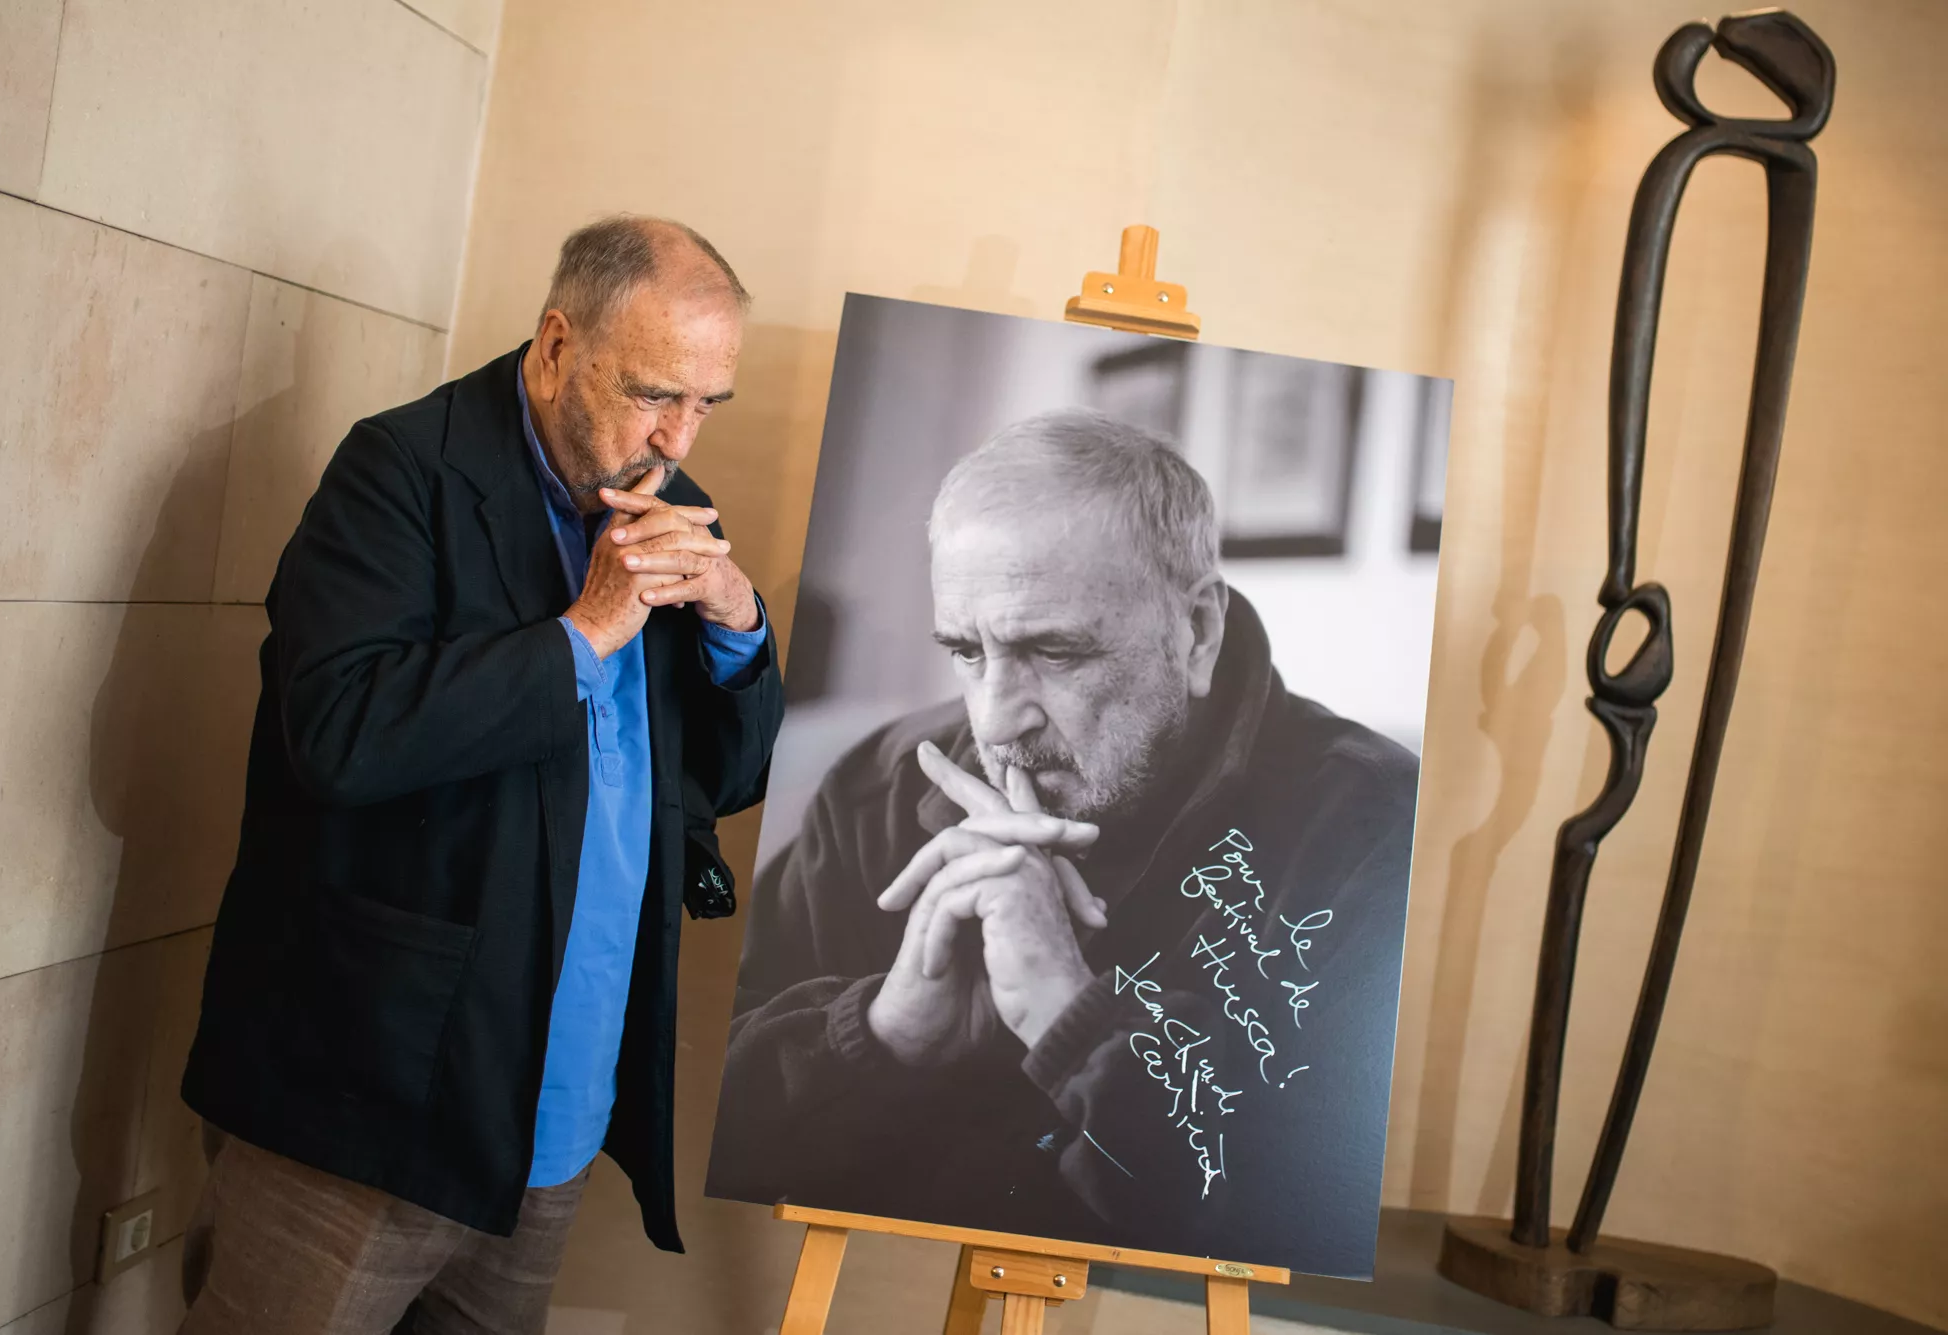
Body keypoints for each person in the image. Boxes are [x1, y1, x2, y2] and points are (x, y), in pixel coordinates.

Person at [178, 215, 784, 1334]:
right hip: (368, 1103)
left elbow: (724, 779)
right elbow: (340, 732)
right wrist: (586, 630)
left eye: (708, 405)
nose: (680, 438)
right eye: (656, 394)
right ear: (557, 346)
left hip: (550, 1119)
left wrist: (738, 624)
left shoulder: (669, 504)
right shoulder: (399, 470)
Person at [707, 409, 1416, 1279]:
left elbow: (1304, 1234)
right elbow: (706, 1123)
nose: (996, 719)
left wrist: (1068, 1016)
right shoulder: (877, 786)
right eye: (967, 650)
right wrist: (878, 1034)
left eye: (1054, 651)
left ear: (1196, 632)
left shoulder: (1374, 830)